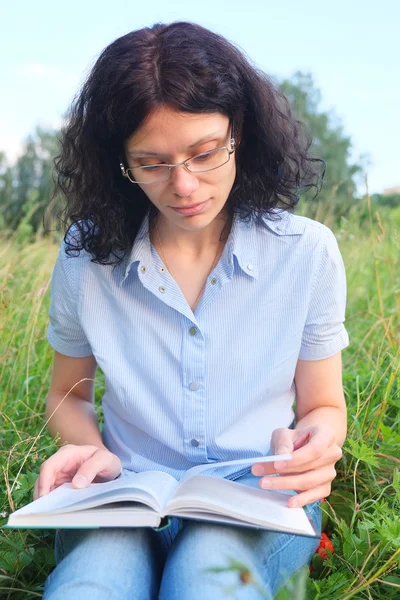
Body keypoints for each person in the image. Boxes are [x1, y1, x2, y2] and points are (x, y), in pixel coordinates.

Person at [37, 21, 349, 600]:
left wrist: (315, 445)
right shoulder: (87, 258)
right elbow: (68, 394)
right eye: (151, 164)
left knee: (206, 579)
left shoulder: (305, 253)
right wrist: (92, 450)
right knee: (91, 584)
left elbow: (324, 404)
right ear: (120, 164)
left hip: (257, 496)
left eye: (204, 153)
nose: (185, 185)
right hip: (123, 491)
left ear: (240, 134)